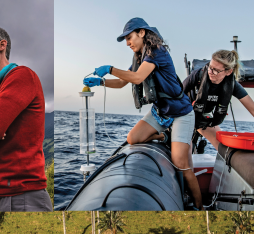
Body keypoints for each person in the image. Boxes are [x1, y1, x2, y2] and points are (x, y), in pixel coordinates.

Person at [83, 17, 202, 210]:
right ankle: (164, 135)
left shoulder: (157, 52)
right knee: (132, 138)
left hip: (181, 113)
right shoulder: (140, 57)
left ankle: (200, 208)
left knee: (181, 163)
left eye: (129, 37)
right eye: (125, 40)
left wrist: (110, 68)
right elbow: (123, 82)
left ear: (142, 32)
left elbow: (137, 78)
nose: (128, 43)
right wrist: (101, 82)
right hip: (160, 112)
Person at [0, 25, 52, 212]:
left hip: (18, 197)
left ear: (1, 45)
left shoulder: (21, 76)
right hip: (7, 197)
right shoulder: (4, 85)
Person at [183, 49, 254, 151]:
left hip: (202, 119)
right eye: (210, 67)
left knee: (224, 149)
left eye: (216, 70)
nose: (211, 72)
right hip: (185, 114)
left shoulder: (232, 85)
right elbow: (176, 95)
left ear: (229, 72)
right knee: (186, 148)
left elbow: (252, 108)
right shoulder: (197, 75)